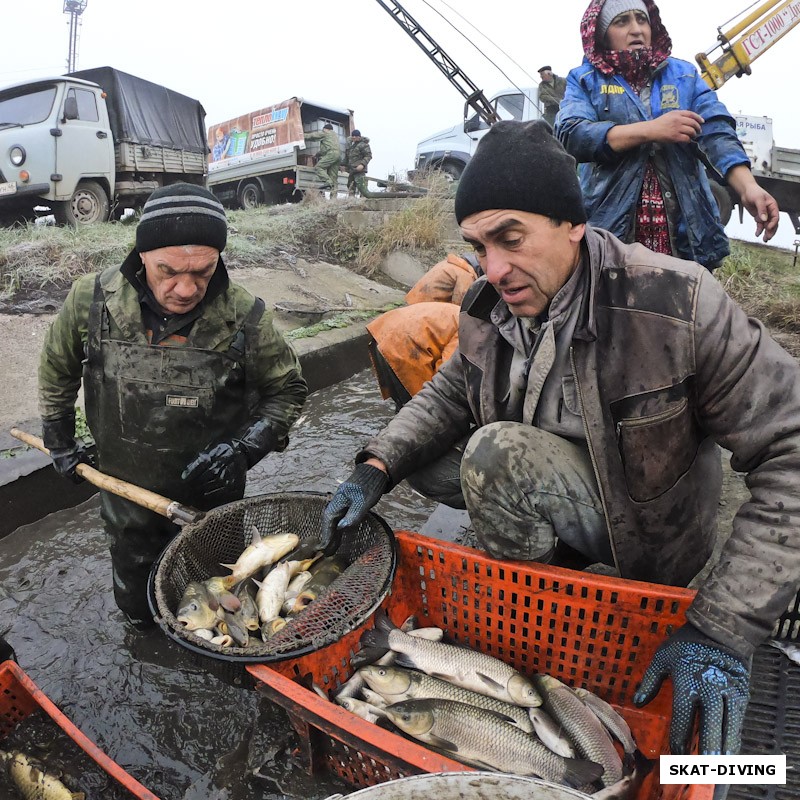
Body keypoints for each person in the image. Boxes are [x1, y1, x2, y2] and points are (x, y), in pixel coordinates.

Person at [321, 119, 800, 757]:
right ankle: (544, 593)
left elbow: (792, 448)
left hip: (652, 532)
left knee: (494, 454)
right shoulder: (488, 305)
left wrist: (723, 628)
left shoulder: (676, 303)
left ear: (572, 222)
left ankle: (574, 601)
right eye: (478, 246)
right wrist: (374, 466)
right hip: (558, 478)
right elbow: (448, 392)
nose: (494, 268)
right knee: (434, 458)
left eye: (511, 239)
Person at [38, 183, 308, 628]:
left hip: (212, 506)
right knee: (138, 609)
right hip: (127, 498)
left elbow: (289, 391)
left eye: (202, 273)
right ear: (142, 255)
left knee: (222, 609)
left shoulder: (244, 316)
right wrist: (59, 438)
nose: (186, 289)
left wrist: (245, 449)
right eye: (169, 271)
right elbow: (57, 368)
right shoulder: (91, 300)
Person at [555, 0, 779, 270]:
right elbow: (572, 134)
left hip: (685, 240)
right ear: (601, 33)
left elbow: (717, 131)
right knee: (612, 307)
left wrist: (748, 187)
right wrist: (651, 130)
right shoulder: (585, 79)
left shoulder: (684, 76)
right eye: (621, 21)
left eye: (642, 19)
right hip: (612, 236)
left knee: (685, 307)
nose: (636, 29)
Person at [305, 123, 341, 194]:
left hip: (331, 154)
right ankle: (333, 199)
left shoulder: (326, 133)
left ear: (325, 129)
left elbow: (313, 136)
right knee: (333, 177)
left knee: (318, 167)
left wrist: (301, 135)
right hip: (338, 156)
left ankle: (328, 181)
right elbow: (325, 149)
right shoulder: (335, 136)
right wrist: (317, 154)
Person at [344, 130, 372, 197]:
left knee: (362, 187)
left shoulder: (363, 145)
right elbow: (347, 157)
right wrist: (343, 164)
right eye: (353, 136)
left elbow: (368, 156)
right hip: (352, 170)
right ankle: (351, 201)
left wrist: (362, 164)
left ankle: (363, 201)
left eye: (355, 136)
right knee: (350, 186)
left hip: (360, 170)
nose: (354, 137)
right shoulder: (351, 146)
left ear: (359, 137)